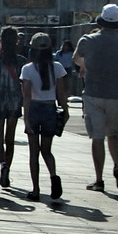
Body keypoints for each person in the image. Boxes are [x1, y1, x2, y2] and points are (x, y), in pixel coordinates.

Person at [72, 4, 118, 192]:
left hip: (93, 94)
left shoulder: (88, 40)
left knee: (97, 137)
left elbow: (76, 58)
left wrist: (87, 64)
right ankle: (116, 165)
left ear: (101, 20)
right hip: (116, 95)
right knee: (114, 135)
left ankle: (99, 179)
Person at [21, 32, 68, 201]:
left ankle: (35, 190)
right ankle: (54, 176)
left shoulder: (27, 69)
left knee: (34, 152)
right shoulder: (57, 67)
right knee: (47, 150)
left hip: (34, 109)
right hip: (50, 109)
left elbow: (26, 95)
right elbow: (61, 93)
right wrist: (66, 110)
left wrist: (26, 119)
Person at [0, 27, 26, 188]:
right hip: (14, 102)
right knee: (10, 139)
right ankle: (7, 169)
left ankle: (2, 164)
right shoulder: (22, 61)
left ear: (1, 41)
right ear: (17, 41)